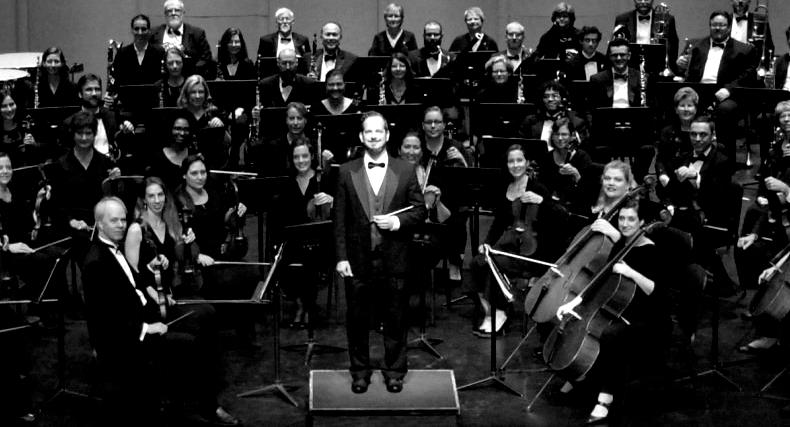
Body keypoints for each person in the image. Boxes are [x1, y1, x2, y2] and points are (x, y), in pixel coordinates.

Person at [83, 196, 240, 426]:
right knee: (190, 341)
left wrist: (149, 271)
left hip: (144, 313)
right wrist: (146, 328)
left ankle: (195, 393)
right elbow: (104, 318)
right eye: (114, 220)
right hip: (126, 336)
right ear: (99, 223)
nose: (120, 225)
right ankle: (207, 406)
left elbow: (131, 284)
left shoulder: (112, 250)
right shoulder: (96, 261)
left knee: (204, 316)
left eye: (123, 220)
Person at [556, 196, 671, 424]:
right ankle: (584, 376)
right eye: (621, 219)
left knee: (611, 334)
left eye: (631, 219)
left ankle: (604, 399)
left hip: (650, 317)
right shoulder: (620, 245)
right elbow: (600, 281)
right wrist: (574, 302)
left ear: (642, 223)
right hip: (622, 309)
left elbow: (658, 293)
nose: (625, 224)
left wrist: (631, 273)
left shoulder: (652, 251)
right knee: (589, 322)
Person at [334, 111, 426, 394]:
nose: (374, 136)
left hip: (395, 257)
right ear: (361, 137)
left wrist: (398, 222)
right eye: (368, 132)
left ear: (387, 135)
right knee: (357, 319)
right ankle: (360, 371)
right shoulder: (346, 171)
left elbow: (420, 210)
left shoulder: (406, 170)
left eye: (379, 131)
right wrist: (341, 257)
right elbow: (339, 219)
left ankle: (395, 371)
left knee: (397, 317)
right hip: (358, 259)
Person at [466, 144, 548, 336]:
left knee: (497, 264)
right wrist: (486, 242)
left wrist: (542, 202)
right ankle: (490, 310)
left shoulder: (537, 187)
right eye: (511, 161)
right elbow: (499, 222)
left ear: (527, 163)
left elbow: (558, 217)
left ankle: (501, 312)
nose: (515, 165)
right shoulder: (506, 187)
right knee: (478, 262)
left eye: (519, 160)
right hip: (510, 244)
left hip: (531, 249)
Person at [676, 10, 757, 163]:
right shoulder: (695, 45)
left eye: (722, 25)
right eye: (714, 25)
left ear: (728, 28)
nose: (718, 28)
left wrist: (729, 89)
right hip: (698, 92)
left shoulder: (744, 50)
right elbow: (683, 71)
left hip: (726, 94)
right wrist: (680, 65)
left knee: (726, 110)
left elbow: (748, 75)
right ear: (710, 26)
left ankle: (724, 161)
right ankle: (682, 156)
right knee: (679, 104)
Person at [274, 138, 334, 327]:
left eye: (305, 156)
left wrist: (331, 200)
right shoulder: (286, 183)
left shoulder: (322, 180)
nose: (301, 160)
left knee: (310, 260)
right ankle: (301, 303)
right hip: (294, 238)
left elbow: (340, 208)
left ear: (312, 157)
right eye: (296, 157)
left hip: (320, 238)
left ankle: (307, 307)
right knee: (282, 262)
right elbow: (281, 218)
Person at [50, 110, 120, 270]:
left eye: (88, 133)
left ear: (94, 134)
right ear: (73, 134)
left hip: (100, 220)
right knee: (85, 242)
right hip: (73, 223)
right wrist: (72, 221)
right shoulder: (61, 165)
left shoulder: (105, 162)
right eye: (79, 133)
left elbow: (112, 197)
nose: (83, 138)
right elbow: (57, 202)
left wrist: (116, 181)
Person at [415, 106, 470, 279]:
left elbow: (469, 181)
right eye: (429, 122)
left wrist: (462, 161)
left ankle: (454, 261)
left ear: (444, 125)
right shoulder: (416, 146)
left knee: (458, 217)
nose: (433, 126)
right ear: (423, 125)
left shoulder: (455, 146)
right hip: (421, 199)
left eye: (437, 122)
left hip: (450, 200)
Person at [61, 74, 134, 159]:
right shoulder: (68, 123)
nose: (94, 94)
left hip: (111, 166)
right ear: (80, 94)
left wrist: (127, 131)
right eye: (89, 90)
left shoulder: (112, 116)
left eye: (97, 89)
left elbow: (125, 145)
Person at [177, 74, 231, 169]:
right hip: (186, 163)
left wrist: (221, 128)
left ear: (206, 94)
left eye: (201, 92)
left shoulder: (213, 112)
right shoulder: (180, 115)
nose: (198, 96)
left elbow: (227, 143)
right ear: (186, 94)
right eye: (193, 92)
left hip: (212, 164)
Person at [149, 0, 213, 78]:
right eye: (169, 11)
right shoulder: (152, 33)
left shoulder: (197, 33)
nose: (173, 13)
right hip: (158, 79)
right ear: (165, 14)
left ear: (183, 13)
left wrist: (191, 73)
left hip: (189, 80)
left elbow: (206, 60)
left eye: (177, 10)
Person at [613, 0, 679, 75]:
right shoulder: (622, 19)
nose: (643, 2)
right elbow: (617, 45)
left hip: (657, 67)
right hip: (630, 67)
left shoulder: (667, 19)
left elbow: (673, 45)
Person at [655, 87, 699, 201]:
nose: (686, 109)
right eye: (682, 105)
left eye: (690, 105)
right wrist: (662, 175)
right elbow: (661, 157)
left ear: (695, 109)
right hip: (670, 179)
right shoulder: (666, 131)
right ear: (676, 109)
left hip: (693, 180)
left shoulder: (701, 132)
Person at [519, 80, 588, 149]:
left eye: (555, 96)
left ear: (563, 99)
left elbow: (583, 150)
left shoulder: (576, 123)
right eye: (546, 96)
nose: (550, 99)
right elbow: (521, 147)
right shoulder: (530, 122)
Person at [146, 108, 198, 190]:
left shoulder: (194, 154)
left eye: (186, 129)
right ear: (170, 129)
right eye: (177, 129)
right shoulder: (158, 158)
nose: (182, 133)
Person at [112, 14, 166, 89]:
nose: (140, 33)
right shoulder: (122, 54)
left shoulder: (159, 53)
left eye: (143, 29)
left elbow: (163, 79)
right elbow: (116, 80)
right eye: (136, 29)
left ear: (149, 31)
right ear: (132, 31)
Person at [0, 89, 37, 166]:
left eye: (11, 104)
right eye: (4, 106)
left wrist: (33, 145)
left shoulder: (25, 125)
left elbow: (33, 159)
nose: (9, 109)